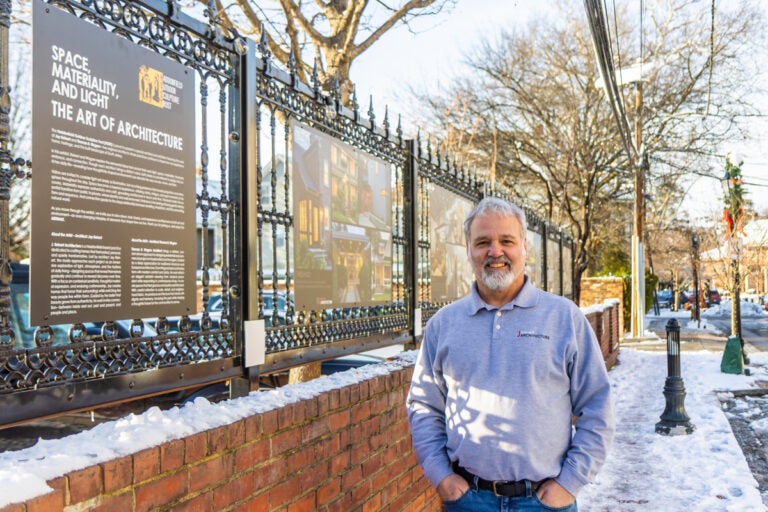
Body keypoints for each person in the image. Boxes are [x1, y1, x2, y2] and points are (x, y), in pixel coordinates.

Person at [406, 197, 615, 511]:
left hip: (545, 502)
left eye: (506, 241)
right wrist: (440, 475)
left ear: (525, 247)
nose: (495, 251)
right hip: (469, 501)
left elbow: (597, 405)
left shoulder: (563, 318)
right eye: (483, 242)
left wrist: (570, 482)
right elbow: (423, 405)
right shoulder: (443, 325)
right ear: (468, 250)